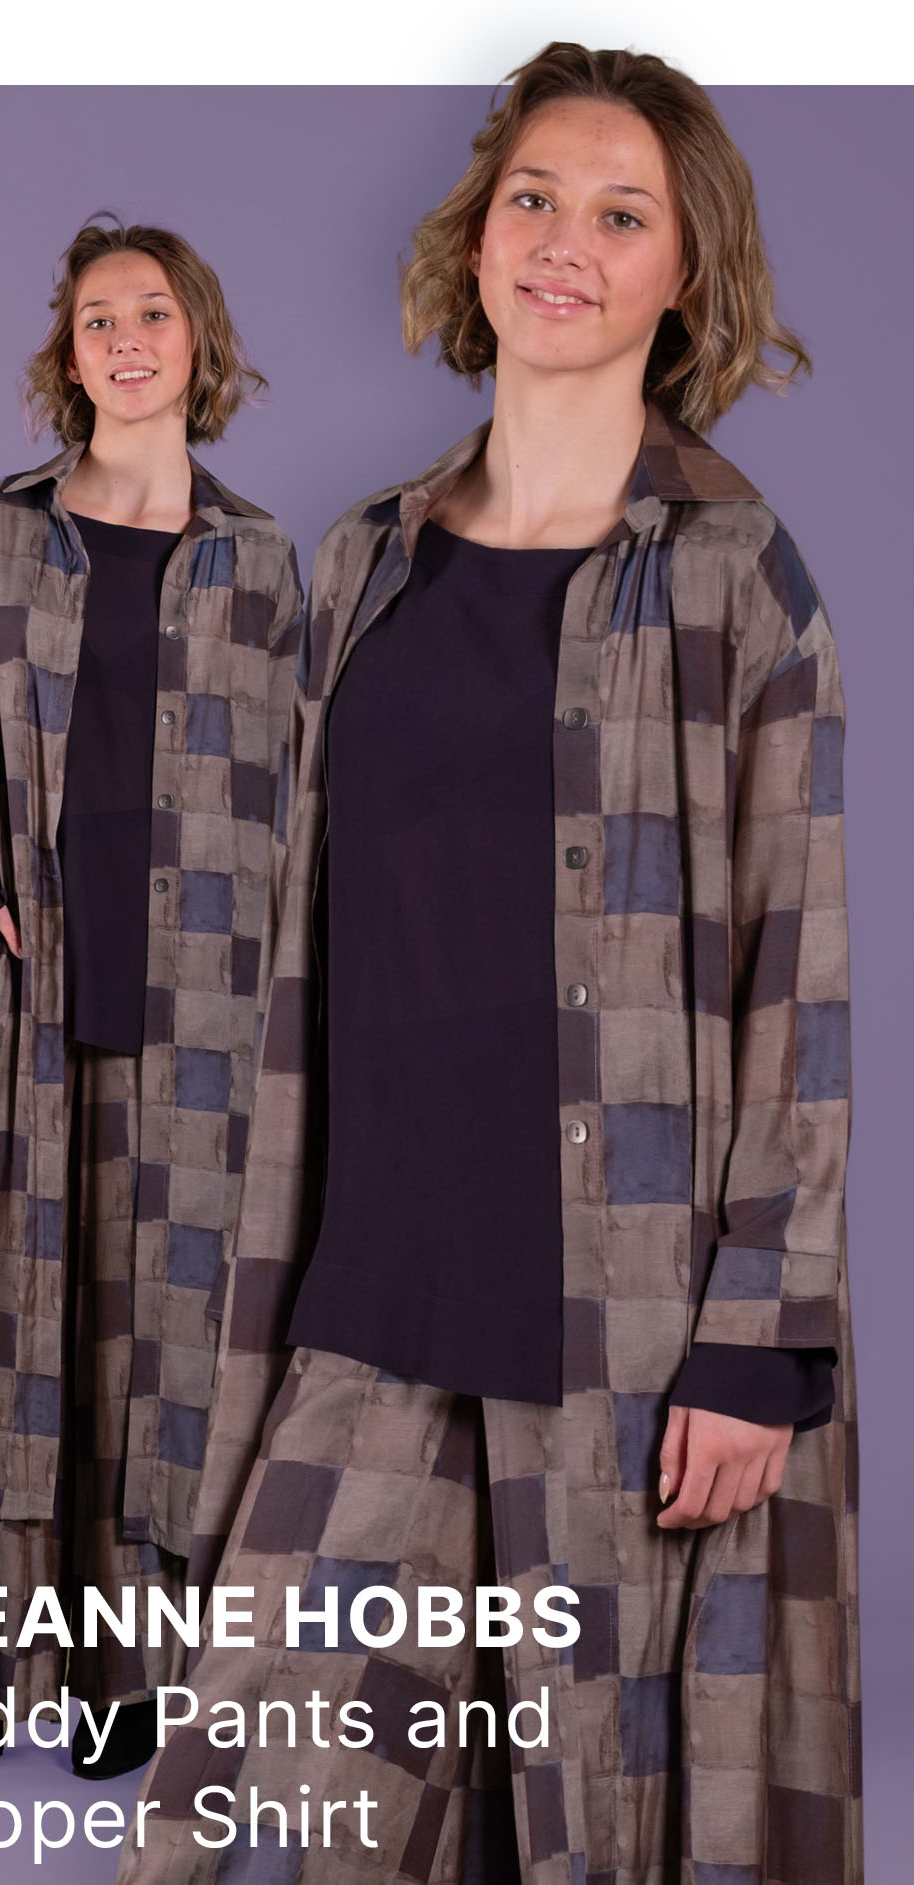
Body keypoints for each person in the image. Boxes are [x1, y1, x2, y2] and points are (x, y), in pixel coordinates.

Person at [118, 40, 861, 1885]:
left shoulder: (736, 575)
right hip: (373, 1274)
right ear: (478, 233)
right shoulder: (366, 559)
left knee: (579, 1826)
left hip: (622, 1309)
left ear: (683, 273)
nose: (563, 245)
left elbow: (803, 968)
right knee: (257, 1805)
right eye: (534, 197)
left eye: (621, 215)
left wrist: (761, 1339)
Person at [0, 215, 303, 1783]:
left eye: (155, 312)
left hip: (204, 1024)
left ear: (198, 340)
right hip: (16, 1001)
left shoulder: (267, 566)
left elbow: (314, 800)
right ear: (68, 352)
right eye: (100, 317)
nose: (128, 339)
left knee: (157, 1351)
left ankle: (127, 1683)